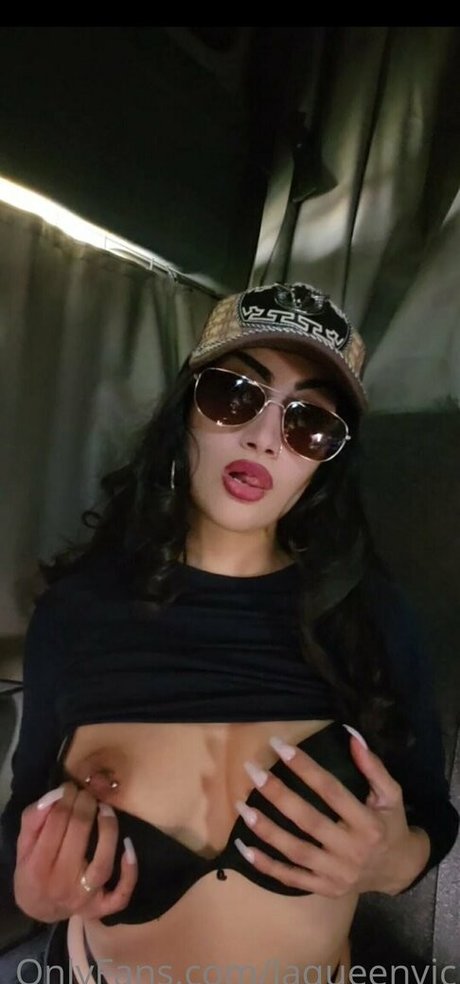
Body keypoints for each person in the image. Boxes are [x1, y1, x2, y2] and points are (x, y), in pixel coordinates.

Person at [1, 282, 458, 983]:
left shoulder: (369, 617)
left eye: (309, 424)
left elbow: (431, 813)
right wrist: (33, 891)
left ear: (324, 464)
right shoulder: (76, 614)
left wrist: (394, 862)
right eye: (235, 394)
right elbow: (25, 813)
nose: (264, 437)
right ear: (185, 410)